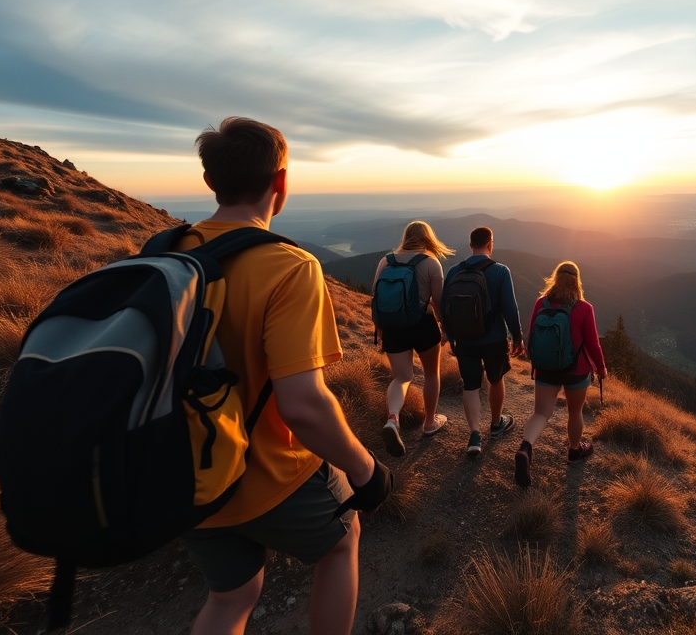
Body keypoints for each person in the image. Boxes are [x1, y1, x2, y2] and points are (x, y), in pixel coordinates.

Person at [175, 117, 391, 635]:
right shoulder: (289, 267)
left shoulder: (169, 252)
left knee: (232, 596)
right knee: (341, 542)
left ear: (210, 182)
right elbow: (302, 405)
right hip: (266, 472)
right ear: (282, 183)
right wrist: (365, 470)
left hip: (185, 472)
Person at [514, 261, 607, 488]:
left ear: (555, 278)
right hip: (576, 371)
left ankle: (526, 448)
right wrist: (601, 368)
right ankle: (574, 451)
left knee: (541, 413)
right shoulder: (584, 308)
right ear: (577, 281)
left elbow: (531, 333)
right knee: (574, 412)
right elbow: (593, 344)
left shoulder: (541, 303)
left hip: (546, 368)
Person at [442, 226, 523, 457]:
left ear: (470, 245)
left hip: (464, 340)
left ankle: (474, 435)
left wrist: (450, 334)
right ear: (490, 244)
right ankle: (496, 424)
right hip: (494, 338)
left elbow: (444, 306)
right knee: (496, 379)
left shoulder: (454, 271)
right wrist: (517, 337)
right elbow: (510, 308)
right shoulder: (500, 271)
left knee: (471, 385)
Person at [372, 221, 452, 456]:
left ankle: (393, 419)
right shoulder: (431, 263)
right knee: (430, 374)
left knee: (401, 377)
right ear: (429, 239)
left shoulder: (386, 261)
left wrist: (380, 328)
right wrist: (446, 330)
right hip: (423, 325)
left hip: (394, 327)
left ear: (406, 237)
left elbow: (376, 296)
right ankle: (429, 422)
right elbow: (438, 302)